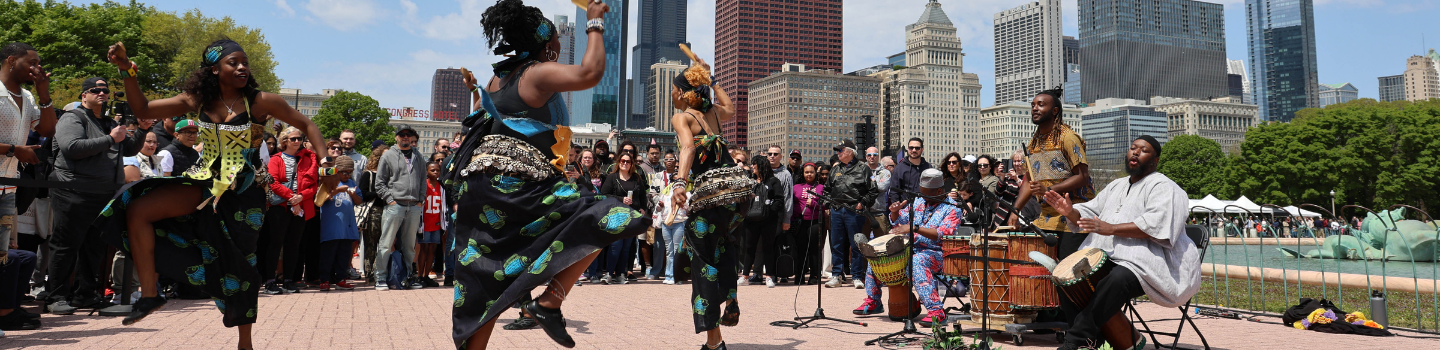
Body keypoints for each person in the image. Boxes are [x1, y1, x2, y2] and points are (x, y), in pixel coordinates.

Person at [98, 39, 328, 350]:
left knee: (240, 265)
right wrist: (128, 70)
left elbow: (307, 124)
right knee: (137, 209)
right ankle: (151, 295)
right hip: (204, 182)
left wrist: (324, 158)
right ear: (214, 69)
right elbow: (142, 109)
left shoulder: (261, 101)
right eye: (233, 62)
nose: (242, 67)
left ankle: (244, 343)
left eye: (244, 62)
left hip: (245, 193)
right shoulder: (198, 100)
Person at [448, 1, 652, 349]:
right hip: (514, 189)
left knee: (483, 280)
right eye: (556, 42)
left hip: (481, 189)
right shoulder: (535, 73)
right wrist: (595, 21)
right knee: (612, 216)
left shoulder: (500, 77)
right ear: (547, 44)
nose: (559, 50)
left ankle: (536, 308)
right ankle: (549, 302)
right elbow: (591, 73)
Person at [1043, 136, 1200, 350]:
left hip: (1147, 263)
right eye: (1133, 148)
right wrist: (1070, 212)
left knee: (1116, 280)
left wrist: (1112, 229)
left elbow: (1157, 225)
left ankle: (1076, 341)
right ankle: (1093, 341)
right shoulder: (1116, 185)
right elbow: (1089, 213)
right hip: (1108, 256)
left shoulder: (1166, 187)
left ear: (1155, 160)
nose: (1135, 152)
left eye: (1143, 150)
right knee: (1066, 279)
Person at [46, 77, 150, 315]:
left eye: (105, 90)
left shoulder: (106, 122)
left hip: (102, 193)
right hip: (73, 190)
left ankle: (86, 295)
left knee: (94, 247)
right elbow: (71, 147)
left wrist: (143, 130)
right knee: (66, 245)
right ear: (84, 95)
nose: (102, 93)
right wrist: (111, 138)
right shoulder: (73, 117)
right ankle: (56, 297)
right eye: (96, 90)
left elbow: (128, 149)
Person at [666, 48, 748, 350]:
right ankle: (731, 301)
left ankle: (714, 341)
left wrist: (679, 182)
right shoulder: (713, 115)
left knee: (702, 265)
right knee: (723, 250)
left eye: (675, 90)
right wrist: (711, 79)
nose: (673, 95)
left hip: (708, 199)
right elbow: (729, 106)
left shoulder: (682, 117)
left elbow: (687, 150)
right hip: (733, 201)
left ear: (685, 94)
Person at [853, 169, 959, 326]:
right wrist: (895, 213)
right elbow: (900, 221)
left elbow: (941, 234)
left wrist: (913, 228)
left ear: (939, 191)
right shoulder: (919, 202)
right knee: (878, 255)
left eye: (926, 193)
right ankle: (874, 300)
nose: (922, 197)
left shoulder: (952, 208)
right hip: (913, 248)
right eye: (921, 193)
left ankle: (937, 311)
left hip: (938, 253)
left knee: (917, 261)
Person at [1009, 87, 1094, 261]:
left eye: (1041, 105)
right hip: (1046, 219)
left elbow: (1082, 176)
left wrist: (1048, 189)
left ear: (1055, 110)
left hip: (1073, 217)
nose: (1034, 108)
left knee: (1068, 274)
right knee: (1044, 273)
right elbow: (1029, 180)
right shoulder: (1034, 142)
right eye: (1033, 105)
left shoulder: (1068, 137)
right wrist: (1015, 210)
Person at [261, 126, 318, 294]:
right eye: (293, 138)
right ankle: (270, 281)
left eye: (299, 138)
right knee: (275, 244)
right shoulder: (276, 159)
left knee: (293, 245)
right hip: (280, 207)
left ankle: (288, 280)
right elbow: (273, 182)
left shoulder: (308, 158)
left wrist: (300, 197)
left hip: (300, 205)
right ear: (284, 141)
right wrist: (292, 198)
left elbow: (313, 184)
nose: (297, 141)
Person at [373, 124, 426, 291]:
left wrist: (421, 200)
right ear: (396, 137)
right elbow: (379, 182)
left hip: (414, 206)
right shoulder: (388, 155)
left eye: (408, 134)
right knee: (386, 243)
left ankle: (409, 277)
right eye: (402, 134)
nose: (405, 137)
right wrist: (390, 200)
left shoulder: (418, 155)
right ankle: (380, 277)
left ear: (412, 137)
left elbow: (423, 180)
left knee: (410, 245)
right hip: (395, 205)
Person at [823, 139, 879, 288]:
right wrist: (828, 203)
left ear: (850, 152)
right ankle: (836, 276)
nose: (838, 153)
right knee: (837, 244)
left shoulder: (863, 168)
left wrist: (863, 203)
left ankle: (856, 276)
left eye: (840, 150)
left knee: (856, 244)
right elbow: (826, 189)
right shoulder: (835, 169)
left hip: (854, 211)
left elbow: (873, 190)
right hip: (836, 210)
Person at [599, 151, 648, 284]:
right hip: (617, 216)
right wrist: (621, 199)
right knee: (615, 246)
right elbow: (604, 194)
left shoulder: (637, 178)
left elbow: (643, 196)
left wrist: (643, 208)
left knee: (627, 247)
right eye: (622, 161)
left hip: (633, 217)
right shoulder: (612, 177)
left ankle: (621, 274)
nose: (625, 163)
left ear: (632, 164)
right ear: (618, 163)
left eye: (628, 161)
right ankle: (609, 273)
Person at [314, 156, 361, 291]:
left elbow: (359, 201)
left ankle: (341, 279)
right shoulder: (328, 183)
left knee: (344, 255)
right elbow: (319, 200)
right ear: (336, 171)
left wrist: (352, 194)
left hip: (347, 227)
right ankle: (324, 280)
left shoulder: (352, 183)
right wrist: (337, 191)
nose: (347, 175)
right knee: (327, 255)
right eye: (344, 172)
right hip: (330, 228)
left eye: (350, 172)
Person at [739, 155, 784, 287]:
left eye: (755, 164)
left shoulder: (773, 181)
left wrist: (770, 211)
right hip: (750, 220)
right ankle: (745, 276)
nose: (752, 167)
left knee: (768, 248)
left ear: (761, 166)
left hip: (768, 220)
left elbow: (779, 200)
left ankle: (769, 276)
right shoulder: (750, 181)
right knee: (749, 248)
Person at [357, 144, 388, 281]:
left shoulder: (391, 175)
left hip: (388, 211)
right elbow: (363, 194)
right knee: (371, 244)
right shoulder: (368, 174)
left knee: (385, 244)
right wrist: (380, 193)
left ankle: (382, 272)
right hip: (373, 211)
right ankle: (370, 274)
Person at [791, 163, 824, 285]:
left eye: (811, 172)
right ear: (803, 173)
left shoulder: (821, 187)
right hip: (800, 223)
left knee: (814, 250)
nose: (809, 174)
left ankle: (814, 275)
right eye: (806, 172)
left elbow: (826, 204)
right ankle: (799, 276)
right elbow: (791, 204)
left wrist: (814, 203)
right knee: (800, 250)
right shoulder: (796, 187)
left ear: (816, 173)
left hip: (815, 222)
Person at [415, 161, 446, 288]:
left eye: (437, 170)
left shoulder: (441, 186)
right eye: (432, 170)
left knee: (432, 249)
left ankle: (426, 275)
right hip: (425, 223)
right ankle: (420, 276)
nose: (435, 172)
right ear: (426, 171)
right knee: (424, 249)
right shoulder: (423, 185)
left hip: (436, 223)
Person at [888, 138, 932, 210]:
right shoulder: (899, 168)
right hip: (905, 210)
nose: (914, 150)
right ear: (908, 149)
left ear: (922, 150)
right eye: (911, 148)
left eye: (917, 148)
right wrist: (897, 209)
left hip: (926, 210)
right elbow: (894, 191)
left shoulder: (928, 167)